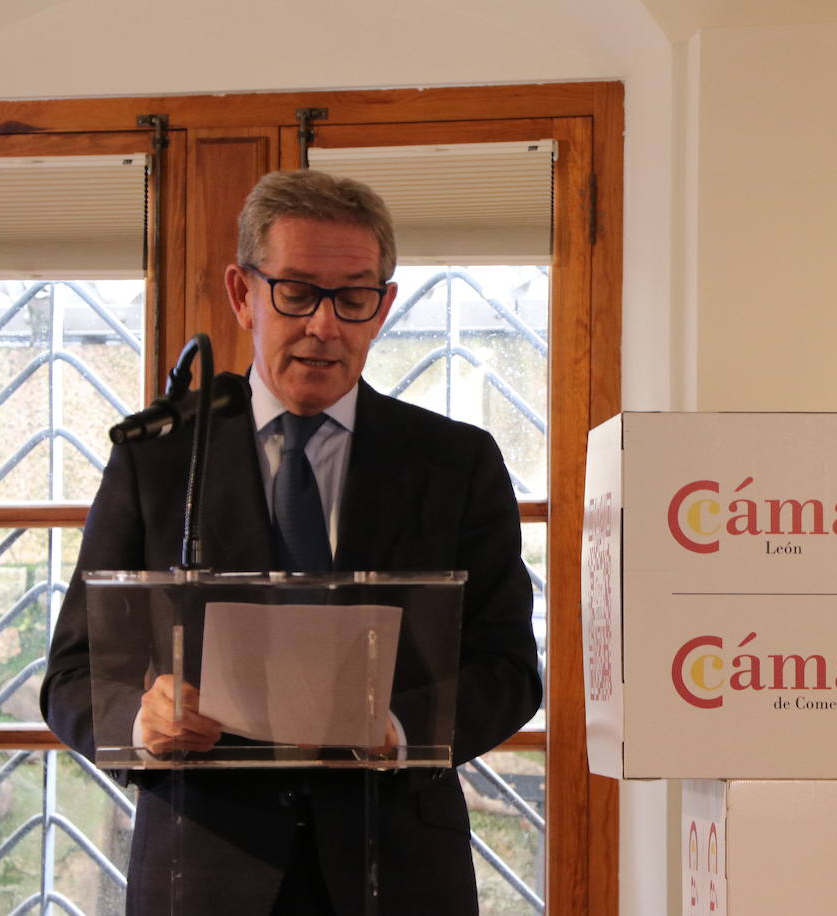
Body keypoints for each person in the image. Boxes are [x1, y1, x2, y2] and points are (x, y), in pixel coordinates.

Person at [41, 170, 542, 915]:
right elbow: (72, 676)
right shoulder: (158, 460)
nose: (325, 325)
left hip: (399, 872)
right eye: (298, 293)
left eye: (354, 297)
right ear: (243, 294)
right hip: (204, 874)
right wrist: (139, 723)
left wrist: (402, 729)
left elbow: (508, 670)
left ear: (385, 308)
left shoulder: (455, 462)